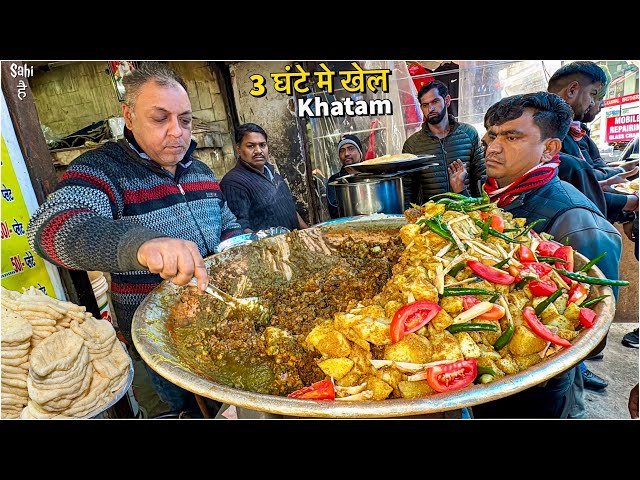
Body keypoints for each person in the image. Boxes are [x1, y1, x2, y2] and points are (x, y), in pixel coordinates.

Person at [27, 61, 243, 418]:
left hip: (223, 322)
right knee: (183, 410)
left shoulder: (201, 171)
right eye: (161, 118)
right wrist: (141, 244)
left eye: (185, 120)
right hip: (161, 340)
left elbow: (225, 220)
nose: (177, 132)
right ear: (129, 116)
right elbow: (50, 228)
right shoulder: (104, 168)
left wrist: (238, 244)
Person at [470, 91, 622, 419]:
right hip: (487, 381)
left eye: (512, 137)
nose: (493, 148)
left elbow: (593, 332)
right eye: (492, 136)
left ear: (549, 148)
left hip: (538, 390)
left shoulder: (576, 221)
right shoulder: (495, 198)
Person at [547, 61, 639, 224]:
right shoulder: (556, 139)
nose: (593, 103)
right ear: (572, 90)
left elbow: (586, 181)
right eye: (593, 94)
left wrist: (606, 182)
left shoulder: (577, 134)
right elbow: (577, 192)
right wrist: (631, 203)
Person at [402, 80, 486, 205]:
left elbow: (481, 177)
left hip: (467, 212)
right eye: (425, 105)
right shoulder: (412, 144)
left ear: (447, 100)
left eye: (435, 102)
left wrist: (481, 208)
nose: (430, 108)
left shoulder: (468, 134)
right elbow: (407, 189)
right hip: (431, 217)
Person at [220, 123, 308, 233]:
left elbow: (290, 209)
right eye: (251, 146)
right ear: (238, 149)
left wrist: (307, 232)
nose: (258, 151)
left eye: (262, 145)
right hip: (270, 248)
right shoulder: (233, 183)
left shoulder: (273, 173)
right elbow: (240, 228)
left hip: (294, 242)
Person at [326, 134, 364, 219]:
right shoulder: (334, 181)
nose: (346, 154)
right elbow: (335, 211)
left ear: (360, 152)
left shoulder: (372, 175)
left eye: (351, 149)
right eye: (342, 151)